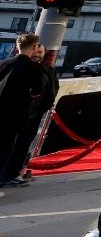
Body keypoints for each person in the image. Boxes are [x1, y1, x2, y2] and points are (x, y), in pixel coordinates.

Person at [3, 40, 56, 187]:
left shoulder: (46, 70)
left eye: (41, 52)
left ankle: (13, 174)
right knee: (12, 145)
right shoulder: (32, 68)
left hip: (33, 114)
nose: (38, 54)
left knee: (22, 145)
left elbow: (50, 89)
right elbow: (37, 90)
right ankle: (7, 176)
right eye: (36, 51)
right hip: (23, 114)